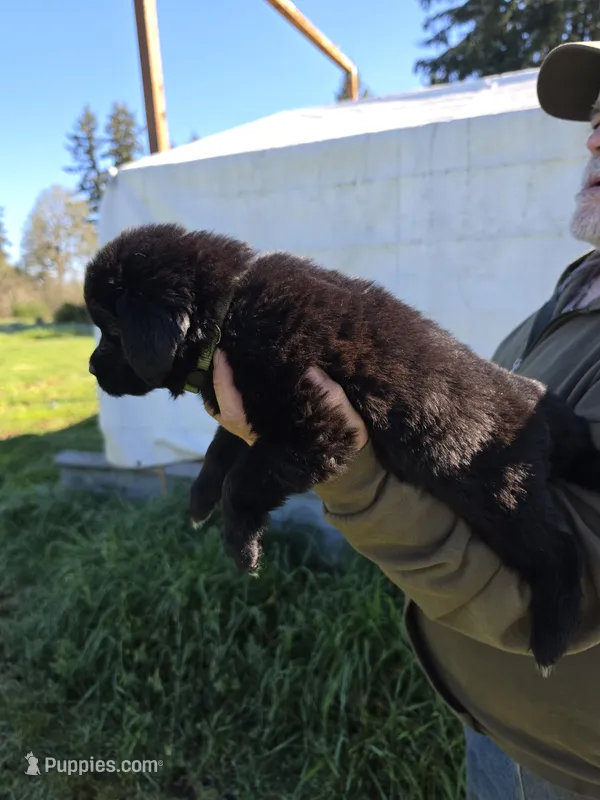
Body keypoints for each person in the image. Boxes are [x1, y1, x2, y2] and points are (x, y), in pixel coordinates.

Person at [205, 41, 600, 800]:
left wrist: (348, 469)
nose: (591, 136)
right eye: (594, 116)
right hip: (495, 729)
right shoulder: (568, 296)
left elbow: (561, 589)